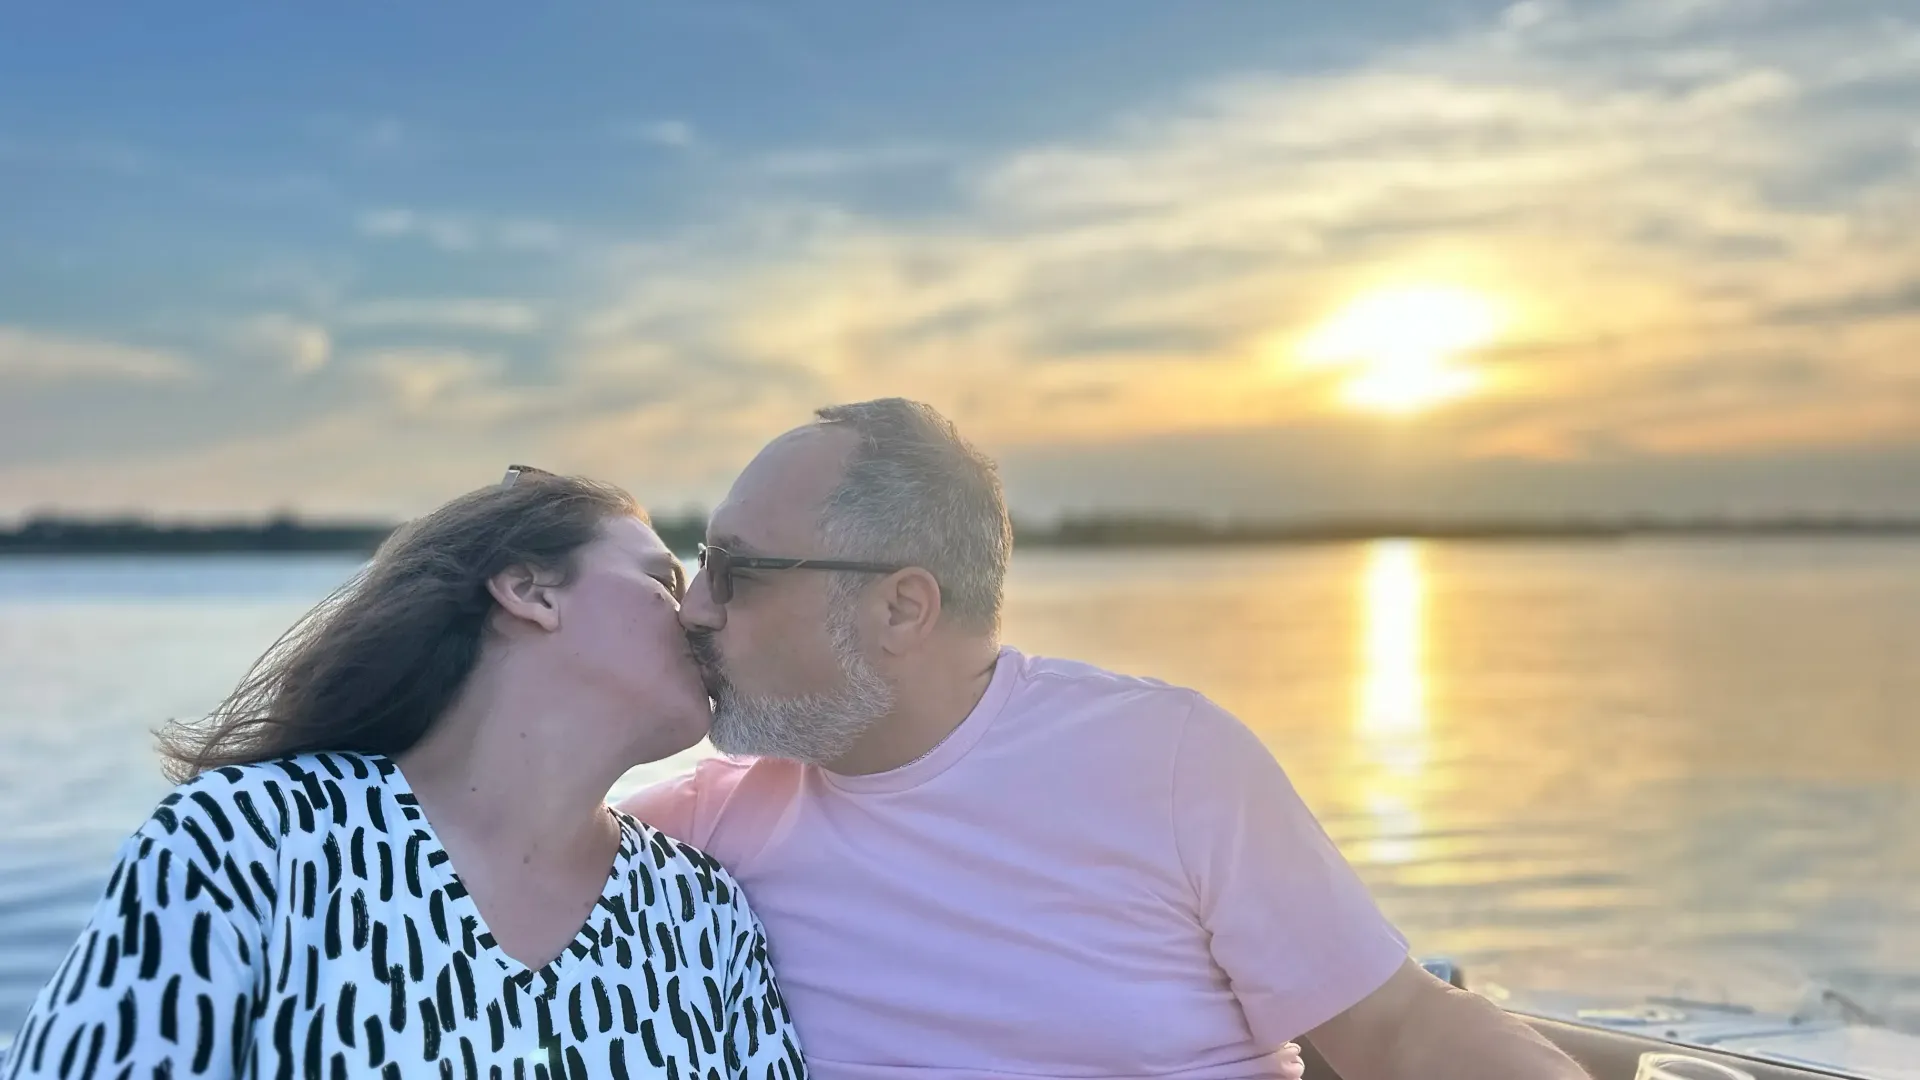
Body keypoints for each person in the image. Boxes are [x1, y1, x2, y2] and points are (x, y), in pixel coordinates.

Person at [618, 399, 1589, 1080]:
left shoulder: (1166, 763)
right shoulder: (692, 837)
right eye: (700, 566)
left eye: (737, 572)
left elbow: (1402, 1031)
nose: (695, 609)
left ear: (902, 608)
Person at [5, 467, 805, 1080]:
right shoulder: (253, 840)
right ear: (528, 589)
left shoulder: (702, 914)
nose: (699, 614)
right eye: (662, 580)